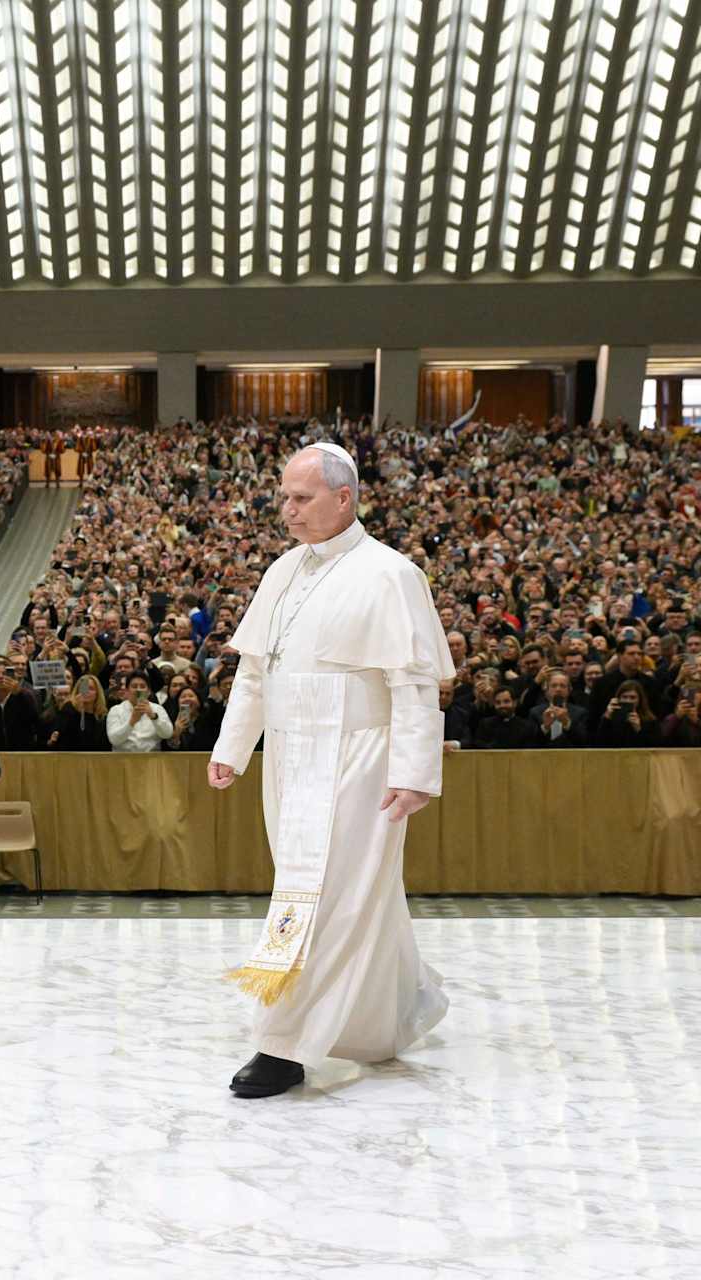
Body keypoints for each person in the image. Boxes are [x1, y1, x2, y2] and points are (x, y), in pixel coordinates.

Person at [208, 442, 452, 1100]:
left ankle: (283, 1043)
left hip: (359, 760)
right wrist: (232, 747)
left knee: (325, 898)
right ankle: (394, 1015)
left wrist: (414, 772)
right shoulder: (282, 570)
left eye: (301, 498)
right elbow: (255, 671)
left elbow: (414, 682)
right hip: (290, 760)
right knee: (350, 892)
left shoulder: (391, 574)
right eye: (284, 498)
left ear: (344, 499)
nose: (287, 510)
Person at [107, 672, 173, 751]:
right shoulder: (116, 710)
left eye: (142, 686)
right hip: (123, 756)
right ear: (127, 691)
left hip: (152, 756)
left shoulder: (158, 709)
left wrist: (153, 717)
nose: (138, 690)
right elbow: (114, 740)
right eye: (134, 686)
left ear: (148, 691)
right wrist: (132, 722)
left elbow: (167, 734)